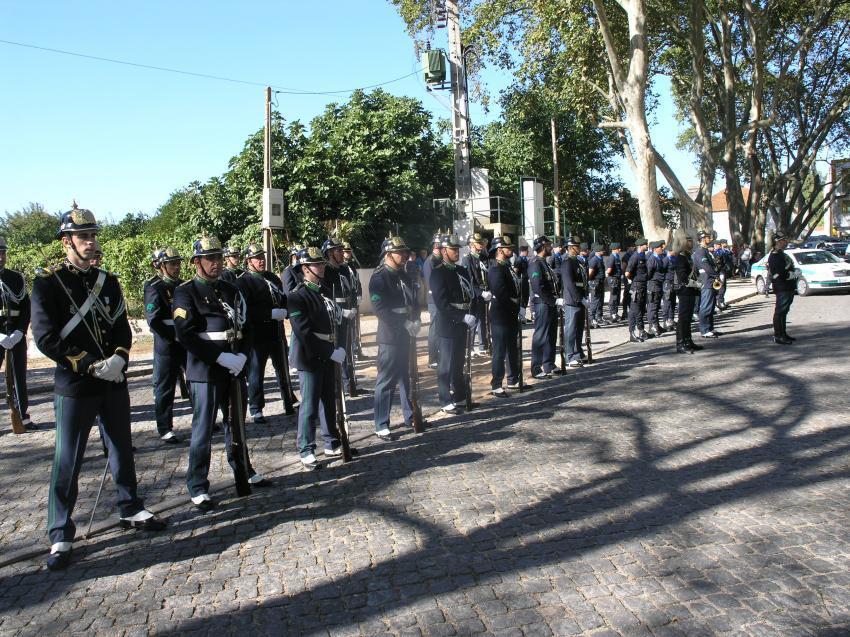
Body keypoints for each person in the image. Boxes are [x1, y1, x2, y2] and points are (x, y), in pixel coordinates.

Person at [31, 203, 166, 570]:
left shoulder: (108, 281)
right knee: (67, 460)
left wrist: (120, 358)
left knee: (122, 447)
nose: (90, 242)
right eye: (82, 237)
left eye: (92, 236)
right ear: (66, 243)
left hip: (113, 380)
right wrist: (91, 365)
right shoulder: (48, 283)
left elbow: (122, 327)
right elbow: (45, 338)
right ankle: (60, 533)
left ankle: (130, 507)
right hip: (76, 383)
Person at [172, 236, 270, 511]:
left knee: (236, 425)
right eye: (209, 258)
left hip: (235, 366)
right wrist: (220, 356)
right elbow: (186, 335)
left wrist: (241, 355)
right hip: (206, 370)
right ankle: (198, 485)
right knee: (203, 429)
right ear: (196, 262)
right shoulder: (185, 292)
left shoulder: (231, 289)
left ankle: (243, 470)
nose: (215, 263)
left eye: (218, 258)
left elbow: (246, 326)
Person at [287, 246, 348, 469]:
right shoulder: (297, 296)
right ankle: (306, 447)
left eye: (322, 263)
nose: (321, 267)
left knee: (329, 401)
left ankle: (331, 441)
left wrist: (339, 347)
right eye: (316, 264)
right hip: (309, 356)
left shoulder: (325, 291)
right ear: (304, 268)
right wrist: (329, 351)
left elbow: (336, 322)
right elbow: (304, 333)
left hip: (328, 353)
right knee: (310, 405)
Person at [369, 237, 420, 439]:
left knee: (406, 377)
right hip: (391, 335)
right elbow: (380, 309)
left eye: (404, 252)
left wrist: (415, 319)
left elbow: (413, 301)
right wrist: (404, 323)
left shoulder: (404, 274)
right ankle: (381, 423)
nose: (404, 256)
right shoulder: (379, 278)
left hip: (407, 332)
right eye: (400, 253)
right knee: (386, 380)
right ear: (388, 255)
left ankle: (410, 415)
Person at [238, 243, 290, 424]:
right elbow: (246, 311)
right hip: (257, 334)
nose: (261, 261)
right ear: (248, 261)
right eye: (257, 258)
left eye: (263, 257)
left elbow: (283, 298)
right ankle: (256, 408)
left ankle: (288, 400)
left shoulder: (271, 277)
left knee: (283, 368)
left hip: (277, 331)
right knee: (256, 373)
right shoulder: (243, 281)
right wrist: (269, 314)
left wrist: (285, 310)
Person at [143, 247, 187, 444]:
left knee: (195, 382)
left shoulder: (183, 285)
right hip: (167, 345)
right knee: (165, 387)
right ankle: (164, 427)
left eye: (178, 263)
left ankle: (204, 420)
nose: (176, 267)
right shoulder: (154, 287)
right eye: (172, 264)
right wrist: (174, 336)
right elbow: (154, 320)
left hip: (186, 342)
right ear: (161, 266)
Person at [429, 234, 474, 414]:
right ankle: (445, 399)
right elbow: (442, 304)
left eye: (457, 249)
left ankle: (460, 396)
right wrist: (461, 317)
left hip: (463, 320)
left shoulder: (461, 271)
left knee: (458, 363)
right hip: (448, 323)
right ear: (443, 251)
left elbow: (468, 294)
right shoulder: (438, 272)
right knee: (445, 365)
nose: (456, 252)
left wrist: (470, 314)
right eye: (453, 249)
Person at [0, 235, 36, 431]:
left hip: (15, 334)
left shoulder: (15, 278)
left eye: (3, 253)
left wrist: (20, 331)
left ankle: (23, 416)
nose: (0, 257)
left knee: (19, 378)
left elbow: (26, 307)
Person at [321, 238, 359, 392]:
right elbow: (326, 298)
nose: (342, 253)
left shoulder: (344, 269)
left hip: (348, 312)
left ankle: (351, 383)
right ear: (330, 253)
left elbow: (352, 289)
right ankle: (341, 384)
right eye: (338, 250)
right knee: (338, 350)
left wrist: (354, 306)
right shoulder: (325, 271)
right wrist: (341, 312)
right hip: (335, 316)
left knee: (348, 349)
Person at [487, 236, 521, 395]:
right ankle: (496, 384)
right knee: (500, 351)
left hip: (510, 313)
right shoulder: (495, 268)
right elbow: (500, 293)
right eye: (508, 248)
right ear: (500, 250)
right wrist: (515, 307)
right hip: (501, 314)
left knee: (513, 348)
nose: (511, 250)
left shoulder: (506, 266)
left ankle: (513, 379)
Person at [528, 235, 558, 379]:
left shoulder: (544, 262)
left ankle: (549, 363)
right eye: (548, 245)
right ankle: (536, 367)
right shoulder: (535, 263)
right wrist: (552, 300)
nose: (551, 247)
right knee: (540, 336)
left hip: (550, 303)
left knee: (551, 335)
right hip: (542, 304)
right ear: (542, 247)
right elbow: (537, 287)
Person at [669, 229, 702, 354]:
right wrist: (697, 284)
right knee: (683, 318)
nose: (691, 243)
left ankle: (688, 340)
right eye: (689, 241)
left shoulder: (687, 255)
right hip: (684, 290)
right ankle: (680, 343)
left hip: (690, 290)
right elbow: (683, 277)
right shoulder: (680, 257)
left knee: (688, 317)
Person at [558, 237, 587, 367]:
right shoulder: (567, 262)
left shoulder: (577, 262)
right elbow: (569, 283)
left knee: (579, 328)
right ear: (570, 248)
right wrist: (579, 298)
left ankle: (577, 352)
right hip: (572, 299)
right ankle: (569, 356)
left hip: (580, 298)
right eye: (576, 246)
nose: (579, 248)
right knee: (571, 328)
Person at [462, 232, 492, 356]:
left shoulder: (484, 258)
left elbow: (488, 274)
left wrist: (489, 290)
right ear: (471, 245)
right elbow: (469, 280)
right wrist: (480, 292)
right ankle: (469, 347)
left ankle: (483, 345)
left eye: (481, 244)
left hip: (485, 292)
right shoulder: (467, 259)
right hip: (474, 294)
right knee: (473, 320)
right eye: (478, 244)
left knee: (484, 320)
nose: (481, 246)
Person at [768, 233, 797, 345]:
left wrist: (793, 272)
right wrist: (789, 274)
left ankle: (783, 333)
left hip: (788, 285)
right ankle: (778, 335)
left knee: (784, 311)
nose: (786, 242)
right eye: (784, 240)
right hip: (782, 286)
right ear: (778, 242)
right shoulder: (775, 255)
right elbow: (777, 273)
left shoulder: (781, 254)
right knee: (780, 311)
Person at [422, 233, 444, 369]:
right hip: (434, 300)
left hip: (440, 299)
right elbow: (431, 283)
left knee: (441, 328)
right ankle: (432, 358)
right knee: (435, 329)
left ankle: (440, 355)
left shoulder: (439, 260)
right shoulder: (430, 261)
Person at [694, 230, 720, 338]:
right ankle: (704, 330)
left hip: (711, 280)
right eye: (708, 237)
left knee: (711, 305)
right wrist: (716, 276)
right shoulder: (700, 251)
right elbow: (706, 267)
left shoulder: (706, 251)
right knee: (706, 306)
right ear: (703, 239)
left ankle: (710, 327)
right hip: (706, 281)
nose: (710, 238)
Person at [625, 238, 649, 342]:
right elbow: (627, 273)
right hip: (637, 286)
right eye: (645, 244)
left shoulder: (643, 256)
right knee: (635, 310)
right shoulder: (634, 257)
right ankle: (632, 332)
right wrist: (634, 281)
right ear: (640, 246)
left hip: (643, 285)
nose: (647, 246)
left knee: (641, 309)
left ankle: (641, 330)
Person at [645, 240, 667, 336]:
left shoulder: (659, 257)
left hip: (658, 284)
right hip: (653, 285)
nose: (662, 248)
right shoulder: (652, 259)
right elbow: (648, 273)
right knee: (652, 307)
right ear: (655, 249)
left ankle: (656, 325)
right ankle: (652, 326)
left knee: (656, 306)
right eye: (660, 247)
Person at [586, 243, 606, 328]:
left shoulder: (600, 259)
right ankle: (592, 319)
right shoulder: (594, 260)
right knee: (595, 301)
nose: (604, 251)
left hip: (600, 282)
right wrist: (592, 282)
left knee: (600, 300)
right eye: (602, 250)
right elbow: (590, 273)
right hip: (595, 283)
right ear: (598, 251)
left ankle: (598, 317)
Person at [604, 243, 623, 322]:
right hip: (613, 279)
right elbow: (609, 270)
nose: (620, 250)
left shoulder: (617, 257)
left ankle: (615, 312)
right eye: (618, 248)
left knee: (617, 296)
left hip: (617, 278)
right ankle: (612, 313)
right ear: (614, 249)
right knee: (613, 297)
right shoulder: (612, 258)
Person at [661, 246, 678, 331]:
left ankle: (671, 319)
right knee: (667, 302)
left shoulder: (674, 258)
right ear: (670, 251)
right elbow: (662, 271)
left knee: (673, 302)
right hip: (667, 283)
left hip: (674, 283)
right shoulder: (666, 260)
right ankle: (665, 321)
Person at [620, 243, 634, 320]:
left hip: (631, 277)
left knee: (631, 294)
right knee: (627, 294)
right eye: (632, 246)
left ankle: (630, 310)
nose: (633, 248)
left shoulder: (632, 255)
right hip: (627, 278)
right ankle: (625, 312)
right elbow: (624, 267)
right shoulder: (626, 256)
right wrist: (625, 276)